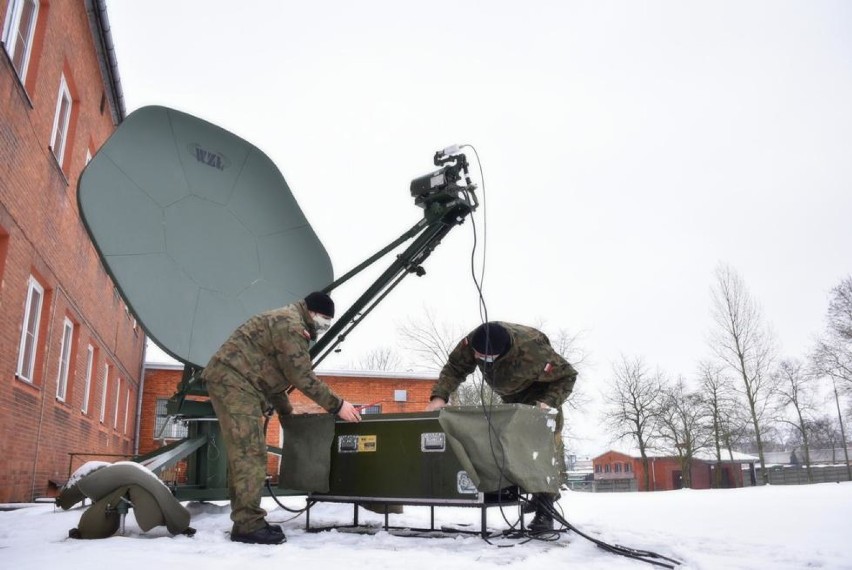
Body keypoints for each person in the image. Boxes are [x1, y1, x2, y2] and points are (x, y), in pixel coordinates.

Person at [202, 291, 362, 544]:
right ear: (310, 312)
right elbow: (302, 377)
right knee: (250, 453)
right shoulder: (290, 325)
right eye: (323, 318)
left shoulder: (290, 322)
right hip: (234, 383)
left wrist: (287, 413)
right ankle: (248, 526)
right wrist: (338, 405)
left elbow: (276, 376)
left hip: (240, 383)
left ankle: (247, 520)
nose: (325, 324)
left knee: (246, 455)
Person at [425, 321, 578, 532]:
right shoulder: (474, 341)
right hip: (511, 395)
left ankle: (546, 510)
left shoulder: (534, 350)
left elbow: (567, 376)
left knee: (542, 447)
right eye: (476, 354)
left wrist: (548, 402)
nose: (477, 359)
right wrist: (439, 396)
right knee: (511, 444)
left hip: (541, 394)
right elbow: (454, 368)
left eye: (483, 357)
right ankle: (533, 491)